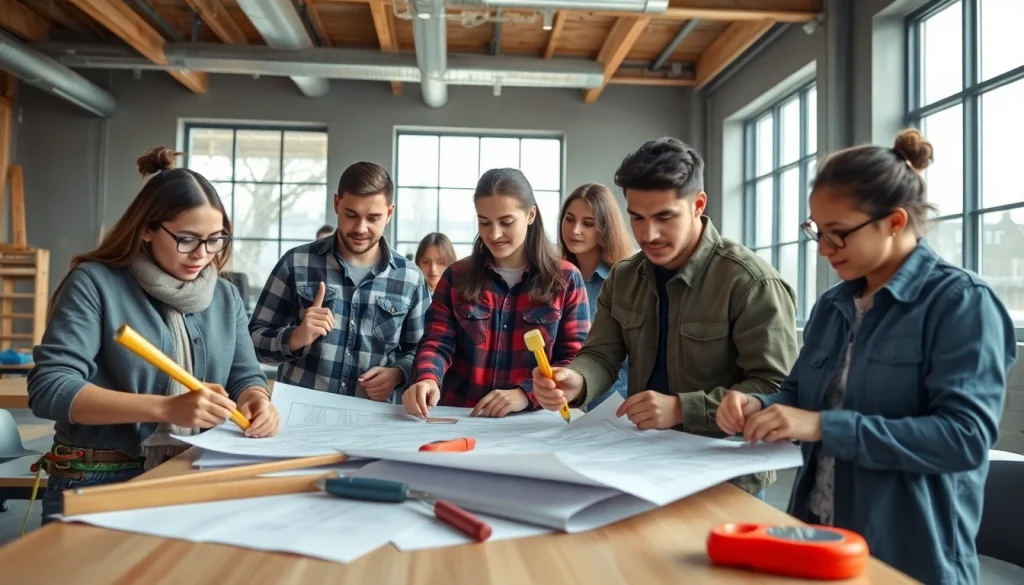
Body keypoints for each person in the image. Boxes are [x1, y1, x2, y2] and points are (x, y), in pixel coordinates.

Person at [716, 129, 1017, 585]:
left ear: (894, 221)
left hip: (908, 555)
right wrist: (760, 406)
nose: (822, 248)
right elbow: (799, 395)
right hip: (818, 537)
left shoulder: (961, 303)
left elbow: (964, 438)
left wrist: (820, 426)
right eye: (816, 230)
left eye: (838, 234)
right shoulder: (833, 305)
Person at [530, 137, 798, 499]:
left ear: (698, 204)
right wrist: (575, 380)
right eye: (637, 217)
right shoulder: (624, 277)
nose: (648, 234)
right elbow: (601, 355)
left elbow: (776, 390)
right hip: (641, 464)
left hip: (723, 479)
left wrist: (682, 409)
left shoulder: (750, 282)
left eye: (664, 217)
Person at [27, 147, 279, 522]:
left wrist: (258, 400)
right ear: (146, 228)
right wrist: (164, 408)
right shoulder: (95, 283)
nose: (203, 254)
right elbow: (50, 388)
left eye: (215, 239)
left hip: (194, 473)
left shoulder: (223, 294)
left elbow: (244, 374)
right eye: (187, 239)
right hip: (97, 481)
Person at [403, 168, 590, 419]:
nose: (494, 234)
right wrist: (427, 379)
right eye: (484, 222)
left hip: (534, 424)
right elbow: (437, 343)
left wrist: (526, 394)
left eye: (506, 222)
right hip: (461, 418)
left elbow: (575, 360)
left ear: (531, 215)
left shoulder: (566, 279)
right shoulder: (456, 277)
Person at [249, 162, 429, 402]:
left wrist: (398, 373)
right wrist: (296, 337)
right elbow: (252, 342)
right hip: (299, 416)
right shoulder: (296, 263)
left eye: (373, 217)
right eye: (351, 214)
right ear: (336, 204)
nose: (360, 228)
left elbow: (423, 350)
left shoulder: (410, 278)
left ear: (389, 213)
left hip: (373, 423)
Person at [558, 183, 634, 410]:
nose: (575, 230)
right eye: (569, 219)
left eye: (588, 223)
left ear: (605, 228)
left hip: (612, 408)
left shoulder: (623, 281)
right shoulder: (552, 280)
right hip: (559, 408)